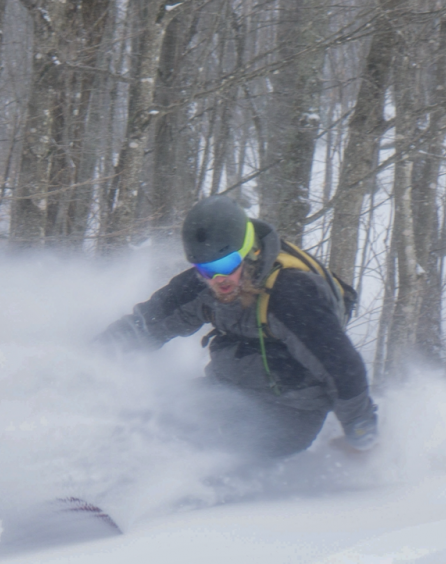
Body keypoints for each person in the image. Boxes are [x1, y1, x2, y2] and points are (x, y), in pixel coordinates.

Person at [99, 195, 378, 460]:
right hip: (229, 387)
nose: (219, 279)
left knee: (217, 451)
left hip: (292, 409)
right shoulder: (204, 285)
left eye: (227, 264)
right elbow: (148, 322)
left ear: (249, 253)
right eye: (206, 268)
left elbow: (342, 368)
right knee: (157, 420)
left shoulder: (291, 296)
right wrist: (89, 362)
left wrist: (360, 434)